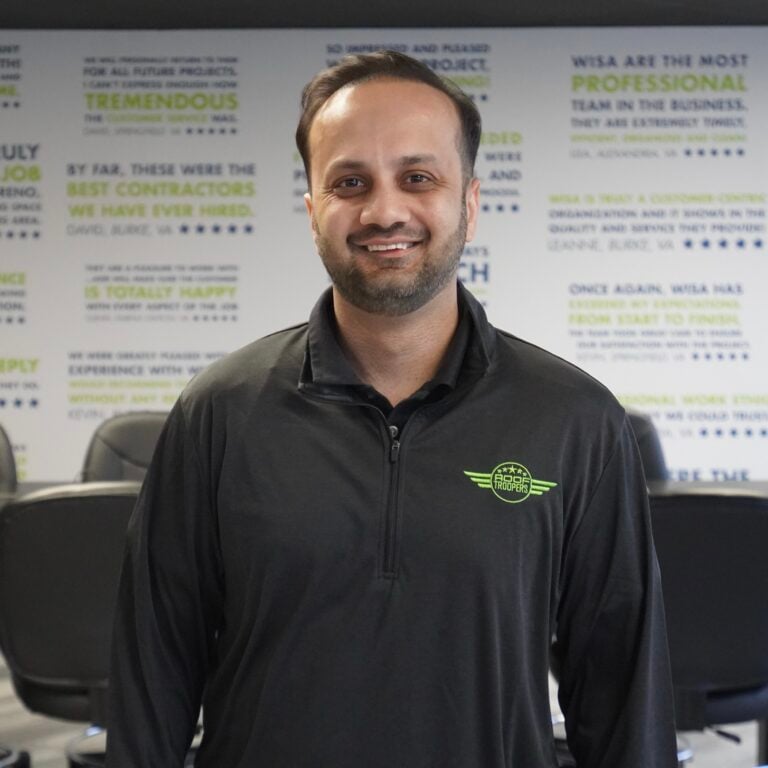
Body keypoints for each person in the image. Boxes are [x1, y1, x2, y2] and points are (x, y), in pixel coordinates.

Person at [106, 50, 678, 767]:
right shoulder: (219, 414)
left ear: (467, 202)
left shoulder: (576, 420)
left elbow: (623, 692)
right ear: (314, 211)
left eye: (418, 177)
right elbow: (151, 674)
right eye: (350, 182)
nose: (384, 210)